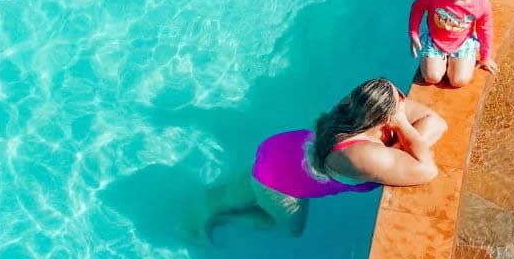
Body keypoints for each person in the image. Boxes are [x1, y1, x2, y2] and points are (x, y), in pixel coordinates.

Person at [187, 78, 446, 240]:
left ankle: (194, 213)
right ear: (384, 118)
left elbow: (437, 123)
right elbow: (427, 169)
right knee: (289, 228)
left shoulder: (351, 112)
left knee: (227, 194)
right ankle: (226, 220)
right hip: (279, 185)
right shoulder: (360, 155)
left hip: (278, 150)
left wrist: (400, 130)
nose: (404, 105)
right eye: (398, 106)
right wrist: (403, 126)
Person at [409, 0, 498, 88]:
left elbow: (485, 30)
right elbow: (417, 8)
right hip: (435, 40)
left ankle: (453, 61)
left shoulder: (482, 4)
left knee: (459, 81)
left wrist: (485, 56)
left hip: (463, 41)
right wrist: (414, 33)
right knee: (431, 78)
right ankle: (441, 62)